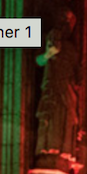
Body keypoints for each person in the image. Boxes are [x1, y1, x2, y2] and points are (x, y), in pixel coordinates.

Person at [35, 9, 80, 164]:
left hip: (67, 88)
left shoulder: (71, 49)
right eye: (64, 22)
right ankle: (47, 150)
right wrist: (48, 54)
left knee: (66, 118)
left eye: (70, 23)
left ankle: (63, 151)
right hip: (52, 85)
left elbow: (74, 71)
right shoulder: (50, 38)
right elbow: (38, 61)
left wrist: (75, 85)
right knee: (51, 116)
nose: (66, 27)